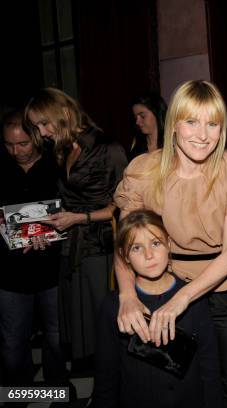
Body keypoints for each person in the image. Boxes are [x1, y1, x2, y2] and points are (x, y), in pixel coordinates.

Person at [113, 80, 227, 408]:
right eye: (191, 121)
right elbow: (126, 242)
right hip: (162, 283)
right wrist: (126, 294)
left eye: (212, 123)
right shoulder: (145, 170)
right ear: (174, 124)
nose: (202, 135)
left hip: (222, 292)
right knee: (172, 380)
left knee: (226, 385)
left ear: (222, 129)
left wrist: (183, 299)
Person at [24, 88, 128, 364]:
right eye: (36, 126)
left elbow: (126, 206)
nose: (42, 132)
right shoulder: (62, 150)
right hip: (72, 249)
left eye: (44, 123)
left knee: (108, 331)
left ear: (64, 113)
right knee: (89, 331)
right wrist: (40, 229)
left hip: (101, 250)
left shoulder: (107, 148)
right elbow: (66, 203)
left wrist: (79, 218)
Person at [92, 209, 222, 408]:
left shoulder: (193, 299)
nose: (149, 255)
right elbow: (106, 375)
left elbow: (210, 368)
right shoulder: (113, 307)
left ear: (169, 245)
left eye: (155, 243)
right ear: (124, 256)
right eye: (136, 248)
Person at [0, 110, 66, 388]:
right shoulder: (0, 168)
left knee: (57, 337)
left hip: (52, 268)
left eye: (22, 144)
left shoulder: (57, 166)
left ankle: (58, 386)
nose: (15, 151)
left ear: (37, 139)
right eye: (8, 144)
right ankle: (19, 391)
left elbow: (72, 210)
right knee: (13, 343)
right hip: (10, 271)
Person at [129, 93, 167, 161]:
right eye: (135, 118)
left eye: (142, 116)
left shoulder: (173, 145)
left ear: (157, 113)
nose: (137, 122)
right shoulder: (136, 148)